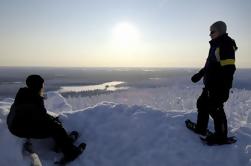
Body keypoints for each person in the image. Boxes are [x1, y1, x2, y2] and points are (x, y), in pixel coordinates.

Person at [7, 75, 86, 163]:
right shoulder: (35, 99)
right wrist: (54, 122)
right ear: (38, 86)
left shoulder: (24, 93)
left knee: (53, 124)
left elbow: (36, 114)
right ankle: (70, 152)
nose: (43, 87)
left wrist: (51, 119)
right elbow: (40, 118)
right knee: (56, 128)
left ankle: (62, 143)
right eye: (42, 85)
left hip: (14, 124)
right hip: (19, 128)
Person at [191, 21, 237, 144]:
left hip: (219, 87)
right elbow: (211, 65)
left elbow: (229, 69)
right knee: (202, 103)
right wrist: (200, 75)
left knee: (215, 109)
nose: (210, 34)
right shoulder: (216, 45)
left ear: (220, 31)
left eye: (212, 31)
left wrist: (218, 85)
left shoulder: (225, 45)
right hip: (210, 85)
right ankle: (201, 128)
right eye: (210, 31)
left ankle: (221, 136)